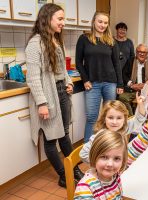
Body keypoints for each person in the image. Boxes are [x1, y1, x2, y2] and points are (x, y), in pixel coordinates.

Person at [25, 3, 84, 188]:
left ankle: (73, 168)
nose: (63, 23)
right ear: (47, 19)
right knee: (51, 138)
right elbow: (33, 77)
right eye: (60, 19)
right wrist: (42, 103)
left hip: (61, 92)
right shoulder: (35, 44)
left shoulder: (56, 40)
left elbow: (62, 70)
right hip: (48, 96)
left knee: (64, 134)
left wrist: (67, 82)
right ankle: (62, 175)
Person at [74, 111, 148, 199]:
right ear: (94, 156)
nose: (110, 164)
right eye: (104, 157)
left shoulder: (116, 172)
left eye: (116, 158)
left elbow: (136, 148)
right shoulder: (85, 189)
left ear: (123, 160)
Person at [76, 12, 124, 143]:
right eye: (100, 22)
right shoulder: (84, 39)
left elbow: (116, 64)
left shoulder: (111, 41)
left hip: (110, 83)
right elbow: (78, 62)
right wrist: (85, 79)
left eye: (105, 22)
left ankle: (108, 144)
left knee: (110, 116)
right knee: (92, 117)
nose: (102, 25)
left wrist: (120, 84)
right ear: (93, 22)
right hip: (92, 84)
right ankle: (88, 147)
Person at [80, 94, 147, 163]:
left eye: (119, 118)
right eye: (110, 118)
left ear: (124, 120)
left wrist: (140, 104)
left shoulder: (123, 128)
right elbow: (83, 154)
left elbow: (139, 119)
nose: (114, 122)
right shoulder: (100, 136)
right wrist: (103, 163)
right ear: (104, 119)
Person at [118, 44, 148, 116]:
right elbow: (123, 75)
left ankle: (147, 117)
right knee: (122, 97)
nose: (141, 54)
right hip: (132, 89)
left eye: (144, 52)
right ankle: (131, 117)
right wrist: (132, 85)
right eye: (139, 51)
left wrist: (146, 86)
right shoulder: (130, 61)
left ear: (147, 54)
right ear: (136, 52)